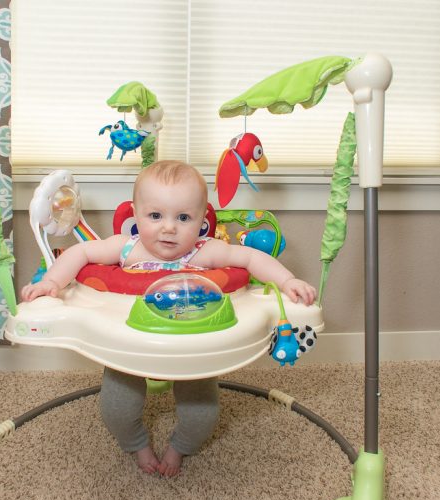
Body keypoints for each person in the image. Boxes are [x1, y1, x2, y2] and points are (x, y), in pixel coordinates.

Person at [21, 160, 316, 477]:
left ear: (202, 220)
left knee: (203, 411)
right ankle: (136, 444)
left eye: (184, 217)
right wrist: (52, 282)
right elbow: (81, 254)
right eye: (155, 215)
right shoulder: (126, 248)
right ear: (136, 214)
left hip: (194, 341)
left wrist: (287, 281)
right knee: (117, 407)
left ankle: (180, 447)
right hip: (130, 339)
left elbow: (250, 257)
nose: (169, 227)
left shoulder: (203, 252)